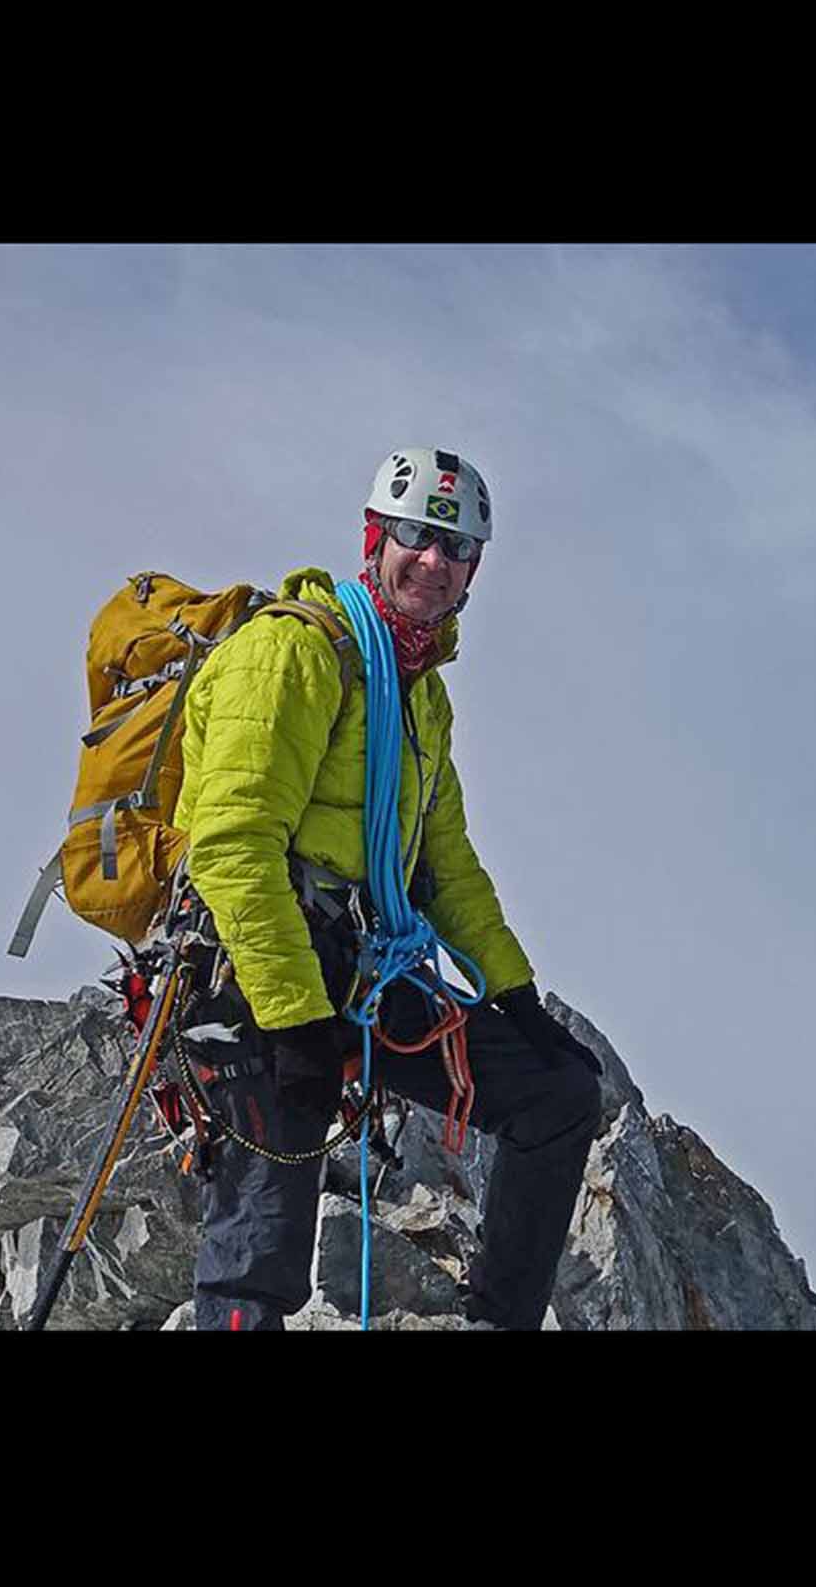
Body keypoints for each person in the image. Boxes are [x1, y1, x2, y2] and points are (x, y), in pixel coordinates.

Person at [171, 446, 602, 1331]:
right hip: (253, 970)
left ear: (475, 571)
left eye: (458, 548)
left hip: (358, 966)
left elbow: (446, 863)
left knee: (558, 1097)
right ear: (376, 537)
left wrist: (516, 998)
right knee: (262, 1250)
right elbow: (233, 845)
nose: (435, 561)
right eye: (417, 536)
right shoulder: (291, 652)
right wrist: (295, 1020)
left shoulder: (418, 695)